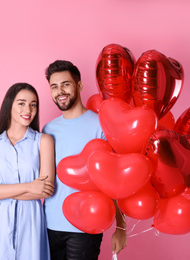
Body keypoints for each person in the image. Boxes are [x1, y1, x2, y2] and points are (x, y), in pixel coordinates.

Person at [42, 60, 127, 260]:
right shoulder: (47, 130)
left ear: (79, 86)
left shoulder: (101, 125)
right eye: (54, 86)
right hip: (48, 226)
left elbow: (115, 181)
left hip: (86, 225)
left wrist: (121, 226)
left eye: (65, 84)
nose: (59, 91)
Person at [0, 83, 55, 260]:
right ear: (9, 106)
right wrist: (30, 186)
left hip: (29, 222)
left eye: (33, 104)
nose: (28, 109)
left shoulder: (43, 141)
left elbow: (44, 189)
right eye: (21, 103)